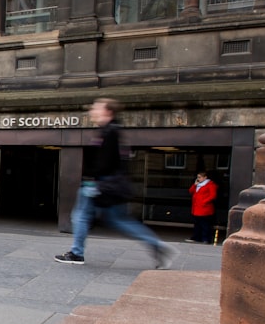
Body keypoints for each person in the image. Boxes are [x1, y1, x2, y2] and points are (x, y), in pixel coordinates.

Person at [55, 98, 178, 269]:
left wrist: (91, 181)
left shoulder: (109, 132)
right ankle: (157, 246)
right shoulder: (112, 130)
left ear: (108, 111)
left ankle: (76, 253)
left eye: (97, 108)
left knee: (81, 215)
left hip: (102, 184)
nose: (92, 110)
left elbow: (105, 162)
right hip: (112, 184)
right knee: (117, 220)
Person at [187, 171, 218, 244]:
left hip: (205, 208)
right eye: (197, 177)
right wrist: (194, 185)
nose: (198, 179)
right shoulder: (198, 185)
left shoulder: (210, 185)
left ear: (205, 177)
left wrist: (204, 201)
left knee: (205, 225)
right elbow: (191, 191)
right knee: (197, 224)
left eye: (200, 177)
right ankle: (197, 237)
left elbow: (213, 195)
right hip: (197, 208)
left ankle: (206, 239)